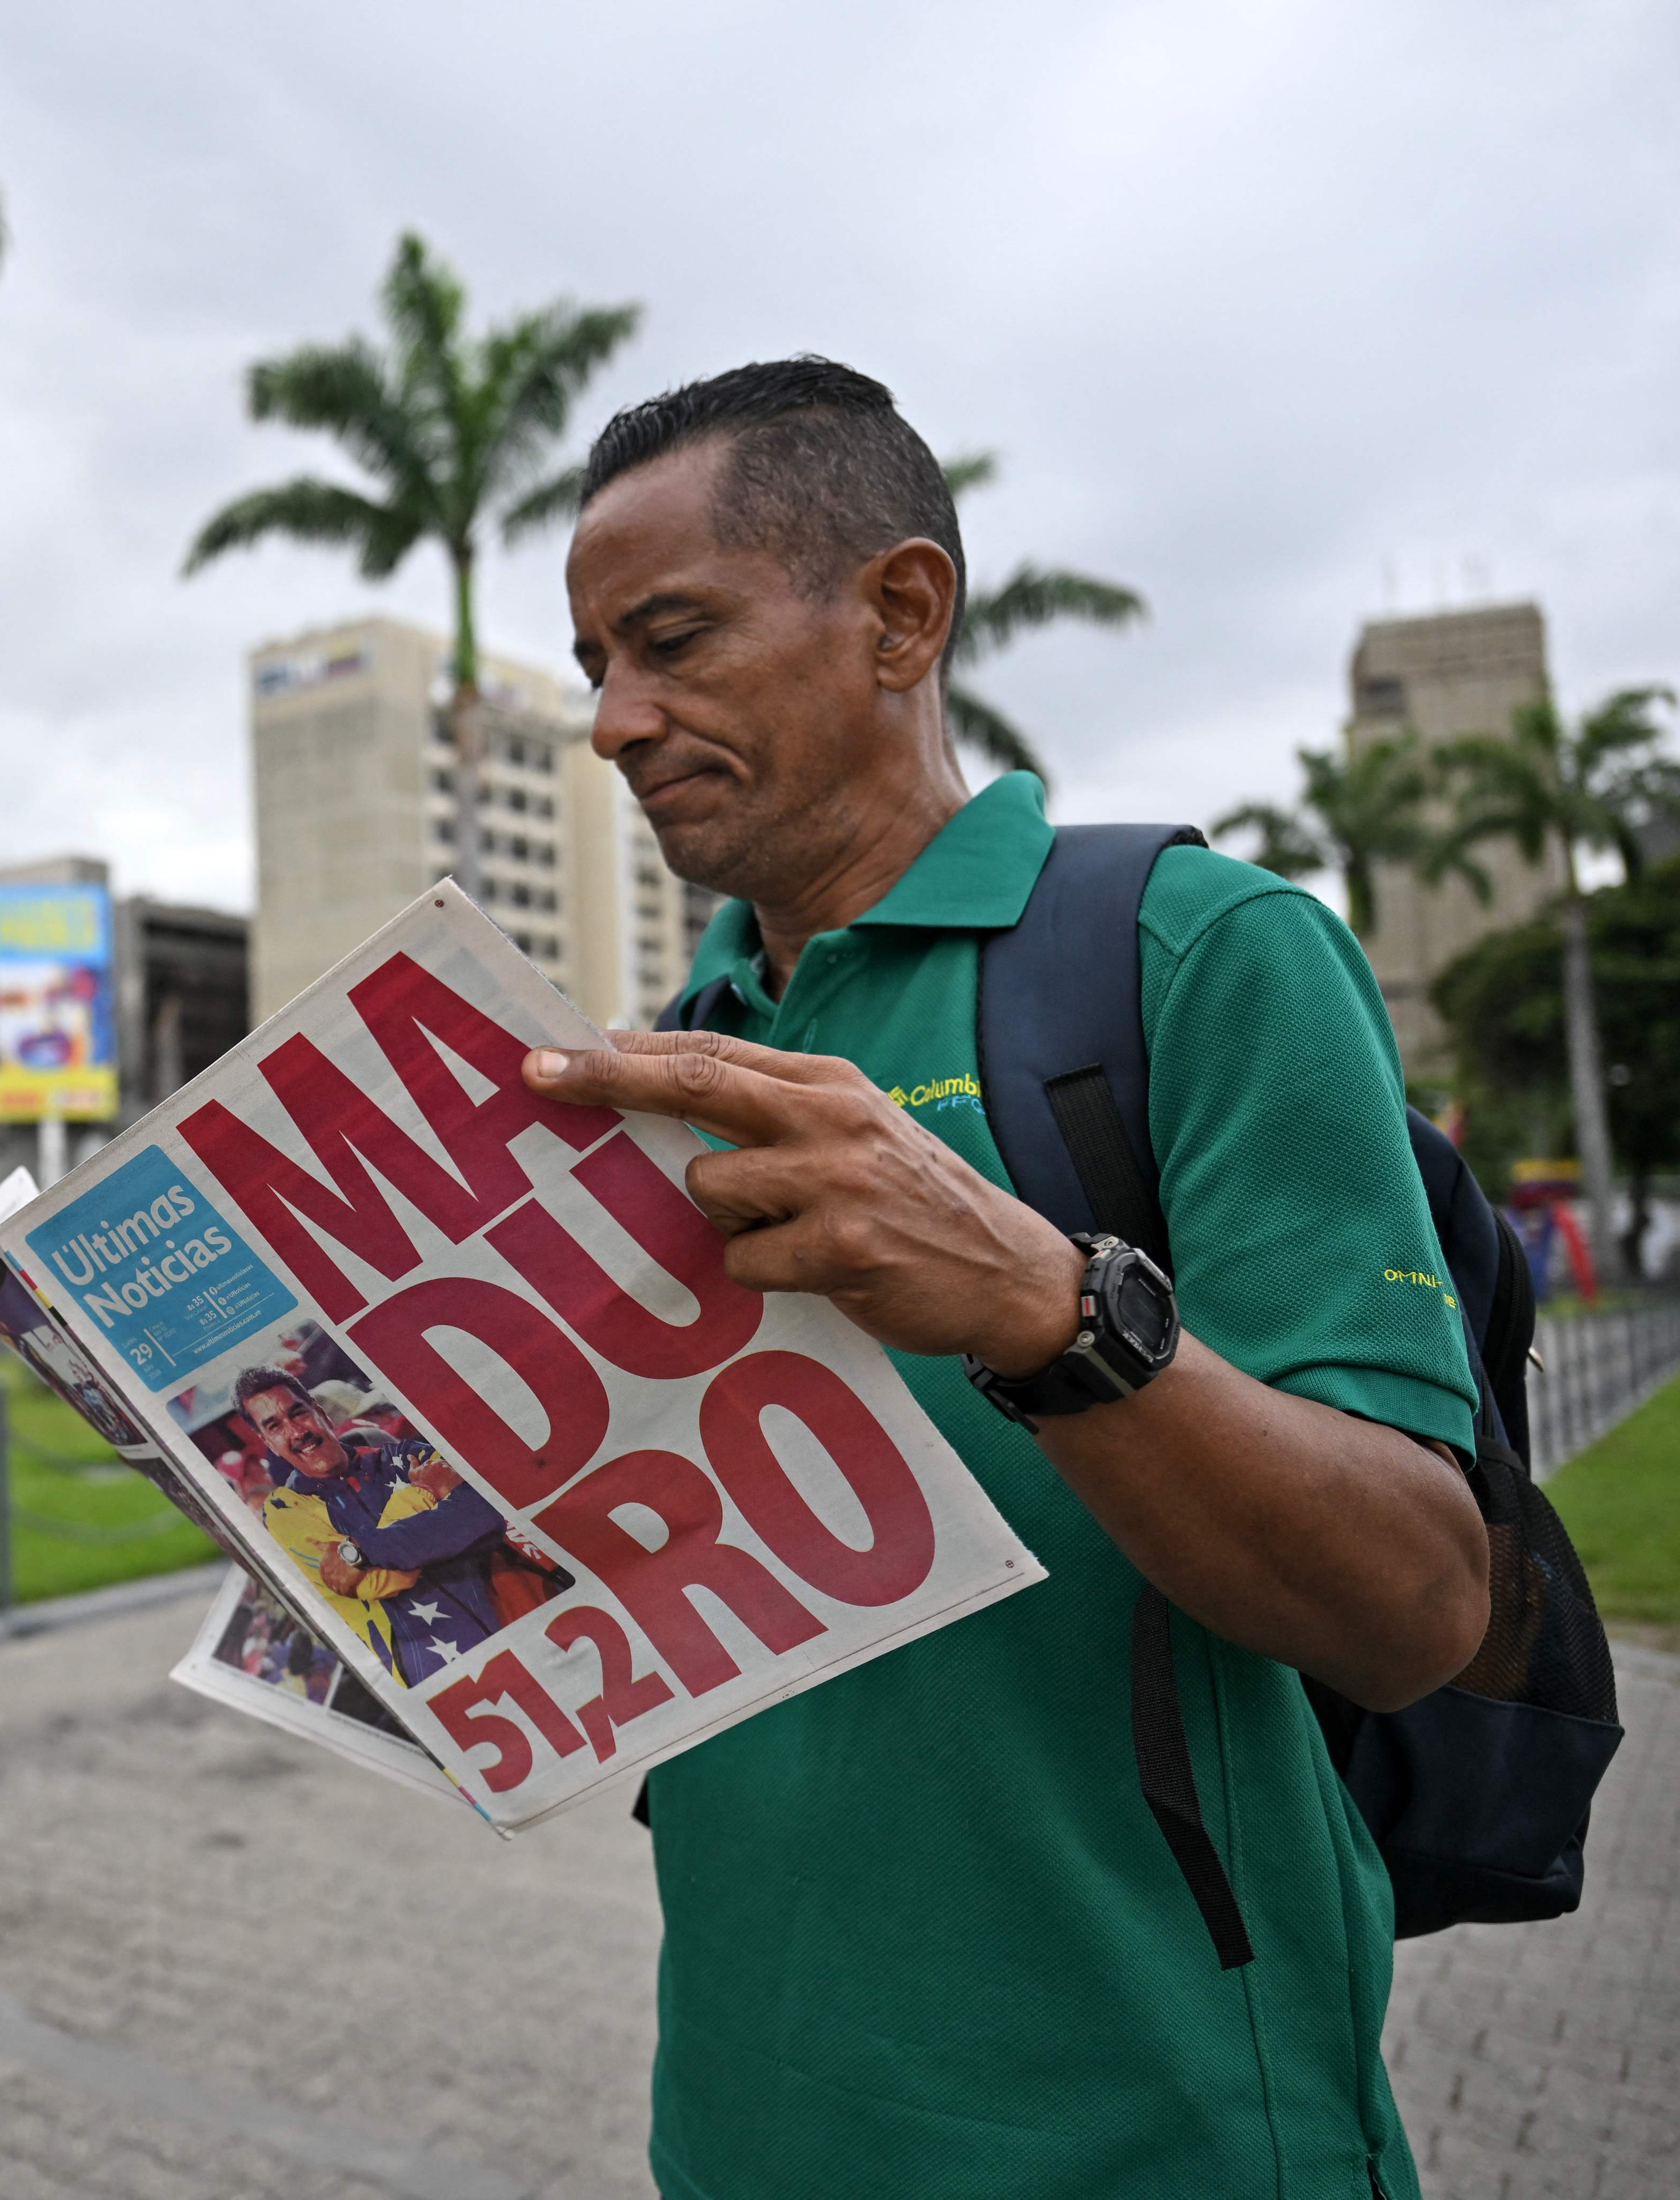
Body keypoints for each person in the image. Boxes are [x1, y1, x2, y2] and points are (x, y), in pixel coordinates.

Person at [522, 357, 1488, 2197]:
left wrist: (1048, 1305)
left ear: (899, 611)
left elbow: (1415, 1604)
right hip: (738, 2127)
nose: (616, 722)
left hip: (1161, 2134)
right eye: (596, 669)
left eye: (670, 640)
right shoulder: (664, 1064)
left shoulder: (1199, 958)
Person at [235, 1366, 510, 1686]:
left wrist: (358, 1550)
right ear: (267, 1442)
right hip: (434, 1675)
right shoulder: (284, 1511)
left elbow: (485, 1514)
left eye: (299, 1414)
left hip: (514, 1627)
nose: (297, 1432)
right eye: (276, 1426)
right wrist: (423, 1495)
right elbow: (377, 1582)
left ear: (320, 1411)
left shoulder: (404, 1454)